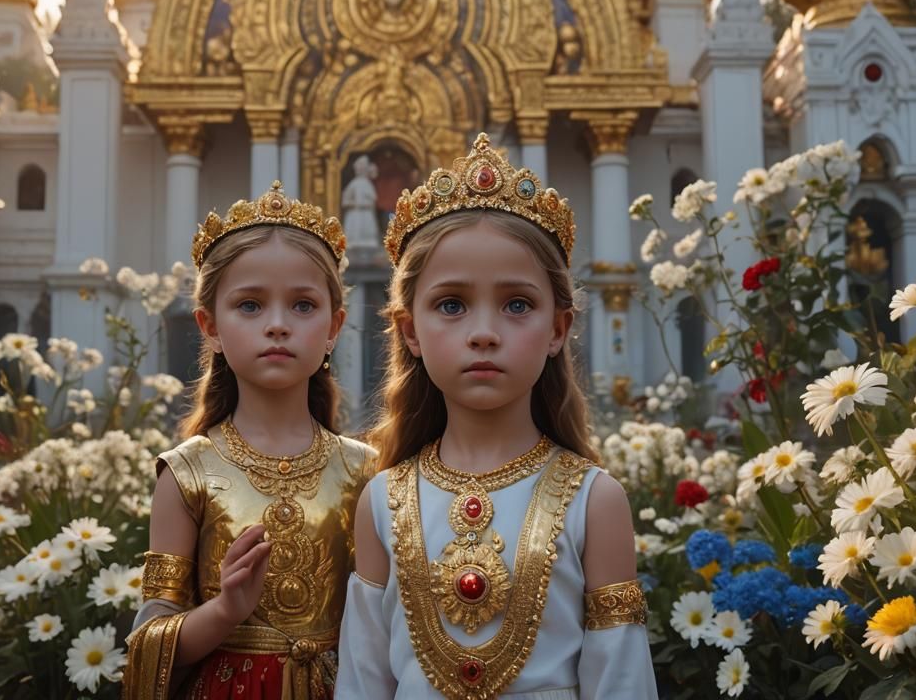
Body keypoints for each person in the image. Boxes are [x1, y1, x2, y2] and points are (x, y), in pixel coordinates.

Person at [336, 134, 657, 699]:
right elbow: (362, 683)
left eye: (517, 305)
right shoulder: (382, 502)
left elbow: (621, 683)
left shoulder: (594, 502)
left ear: (557, 329)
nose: (484, 332)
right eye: (452, 305)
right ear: (410, 330)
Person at [125, 181, 375, 700]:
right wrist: (225, 611)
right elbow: (149, 638)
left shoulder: (365, 472)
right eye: (250, 305)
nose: (278, 325)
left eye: (303, 306)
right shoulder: (188, 474)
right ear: (210, 327)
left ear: (334, 327)